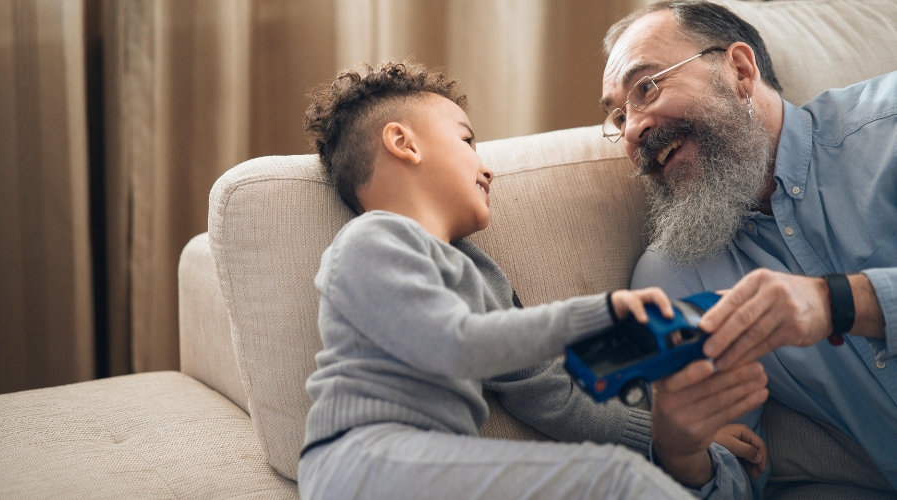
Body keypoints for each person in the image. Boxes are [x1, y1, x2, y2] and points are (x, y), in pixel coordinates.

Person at [297, 60, 765, 500]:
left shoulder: (479, 274)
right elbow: (456, 345)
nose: (487, 167)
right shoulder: (373, 240)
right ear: (404, 143)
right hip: (361, 461)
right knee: (617, 479)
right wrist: (597, 314)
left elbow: (550, 392)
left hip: (436, 465)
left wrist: (670, 438)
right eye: (467, 141)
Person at [599, 0, 897, 497]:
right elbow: (736, 477)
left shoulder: (887, 129)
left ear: (738, 69)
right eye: (617, 116)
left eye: (646, 88)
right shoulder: (676, 275)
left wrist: (840, 303)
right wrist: (680, 454)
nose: (632, 130)